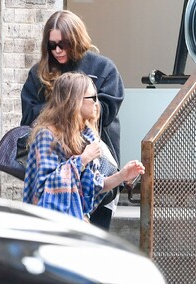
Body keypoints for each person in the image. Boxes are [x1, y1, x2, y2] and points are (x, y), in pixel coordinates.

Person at [20, 10, 124, 229]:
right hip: (55, 168)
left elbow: (104, 111)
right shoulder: (39, 73)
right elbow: (29, 116)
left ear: (76, 40)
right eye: (52, 45)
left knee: (95, 239)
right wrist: (65, 106)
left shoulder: (103, 69)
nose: (57, 50)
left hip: (96, 164)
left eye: (63, 44)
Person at [23, 72, 145, 224]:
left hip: (77, 223)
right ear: (74, 101)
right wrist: (82, 160)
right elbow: (45, 187)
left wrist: (122, 175)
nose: (97, 103)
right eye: (92, 98)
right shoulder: (47, 136)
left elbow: (93, 187)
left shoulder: (87, 136)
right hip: (49, 226)